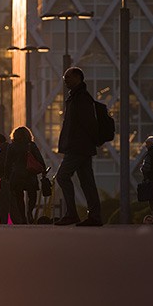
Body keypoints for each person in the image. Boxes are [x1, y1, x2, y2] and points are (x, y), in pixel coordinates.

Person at [54, 67, 102, 226]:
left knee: (62, 176)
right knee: (87, 182)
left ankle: (72, 214)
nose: (65, 80)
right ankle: (94, 216)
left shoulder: (81, 98)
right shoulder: (76, 97)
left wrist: (92, 140)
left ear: (77, 78)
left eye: (68, 77)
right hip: (81, 146)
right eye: (64, 77)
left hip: (78, 147)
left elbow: (88, 123)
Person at [5, 126, 46, 224]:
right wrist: (43, 170)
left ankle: (23, 217)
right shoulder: (31, 145)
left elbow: (8, 163)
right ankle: (30, 211)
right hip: (30, 174)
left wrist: (7, 176)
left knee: (19, 197)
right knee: (32, 195)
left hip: (17, 175)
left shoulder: (11, 146)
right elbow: (39, 158)